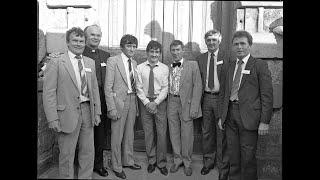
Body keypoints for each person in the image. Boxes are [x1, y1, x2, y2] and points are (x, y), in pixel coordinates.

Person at [42, 27, 101, 179]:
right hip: (66, 114)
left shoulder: (90, 62)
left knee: (88, 152)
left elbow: (94, 89)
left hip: (88, 111)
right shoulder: (56, 61)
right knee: (67, 154)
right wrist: (52, 118)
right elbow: (49, 93)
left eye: (81, 41)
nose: (78, 43)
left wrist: (97, 112)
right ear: (67, 42)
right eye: (75, 40)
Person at [218, 30, 273, 180]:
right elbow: (223, 93)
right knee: (233, 155)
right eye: (236, 44)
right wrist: (221, 116)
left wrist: (264, 121)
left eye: (243, 43)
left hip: (250, 118)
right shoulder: (229, 66)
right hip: (230, 116)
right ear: (232, 47)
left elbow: (267, 95)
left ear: (250, 45)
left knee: (248, 157)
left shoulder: (259, 65)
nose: (239, 47)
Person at [104, 34, 141, 179]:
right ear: (122, 47)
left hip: (133, 100)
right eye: (129, 46)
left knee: (129, 134)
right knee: (117, 136)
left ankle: (128, 160)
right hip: (119, 102)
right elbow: (108, 87)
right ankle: (116, 165)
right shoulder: (113, 61)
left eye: (134, 46)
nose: (132, 49)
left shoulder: (135, 63)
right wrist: (111, 108)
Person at [196, 29, 230, 179]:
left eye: (214, 40)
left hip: (221, 99)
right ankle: (208, 163)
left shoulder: (227, 57)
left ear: (219, 41)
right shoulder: (201, 58)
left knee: (222, 132)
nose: (211, 42)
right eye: (208, 40)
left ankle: (223, 167)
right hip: (206, 99)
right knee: (207, 132)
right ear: (206, 41)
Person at [167, 40, 202, 176]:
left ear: (183, 51)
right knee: (173, 132)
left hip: (186, 104)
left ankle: (187, 162)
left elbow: (198, 86)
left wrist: (194, 106)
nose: (175, 53)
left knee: (187, 134)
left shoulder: (192, 65)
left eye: (178, 50)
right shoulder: (168, 66)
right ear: (170, 51)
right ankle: (177, 160)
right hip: (171, 102)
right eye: (173, 50)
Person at [136, 40, 169, 176]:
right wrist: (146, 102)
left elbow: (165, 87)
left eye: (157, 52)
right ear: (147, 52)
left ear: (160, 54)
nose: (154, 54)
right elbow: (138, 87)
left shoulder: (164, 68)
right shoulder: (140, 68)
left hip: (159, 103)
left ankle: (161, 162)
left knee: (161, 133)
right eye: (152, 51)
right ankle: (151, 161)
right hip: (145, 103)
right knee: (148, 132)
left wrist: (156, 102)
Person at [83, 24, 111, 177]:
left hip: (103, 100)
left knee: (101, 135)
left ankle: (98, 164)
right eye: (92, 35)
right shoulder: (80, 52)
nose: (95, 37)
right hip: (87, 99)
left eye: (98, 35)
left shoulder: (106, 55)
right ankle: (82, 164)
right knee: (85, 134)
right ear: (86, 36)